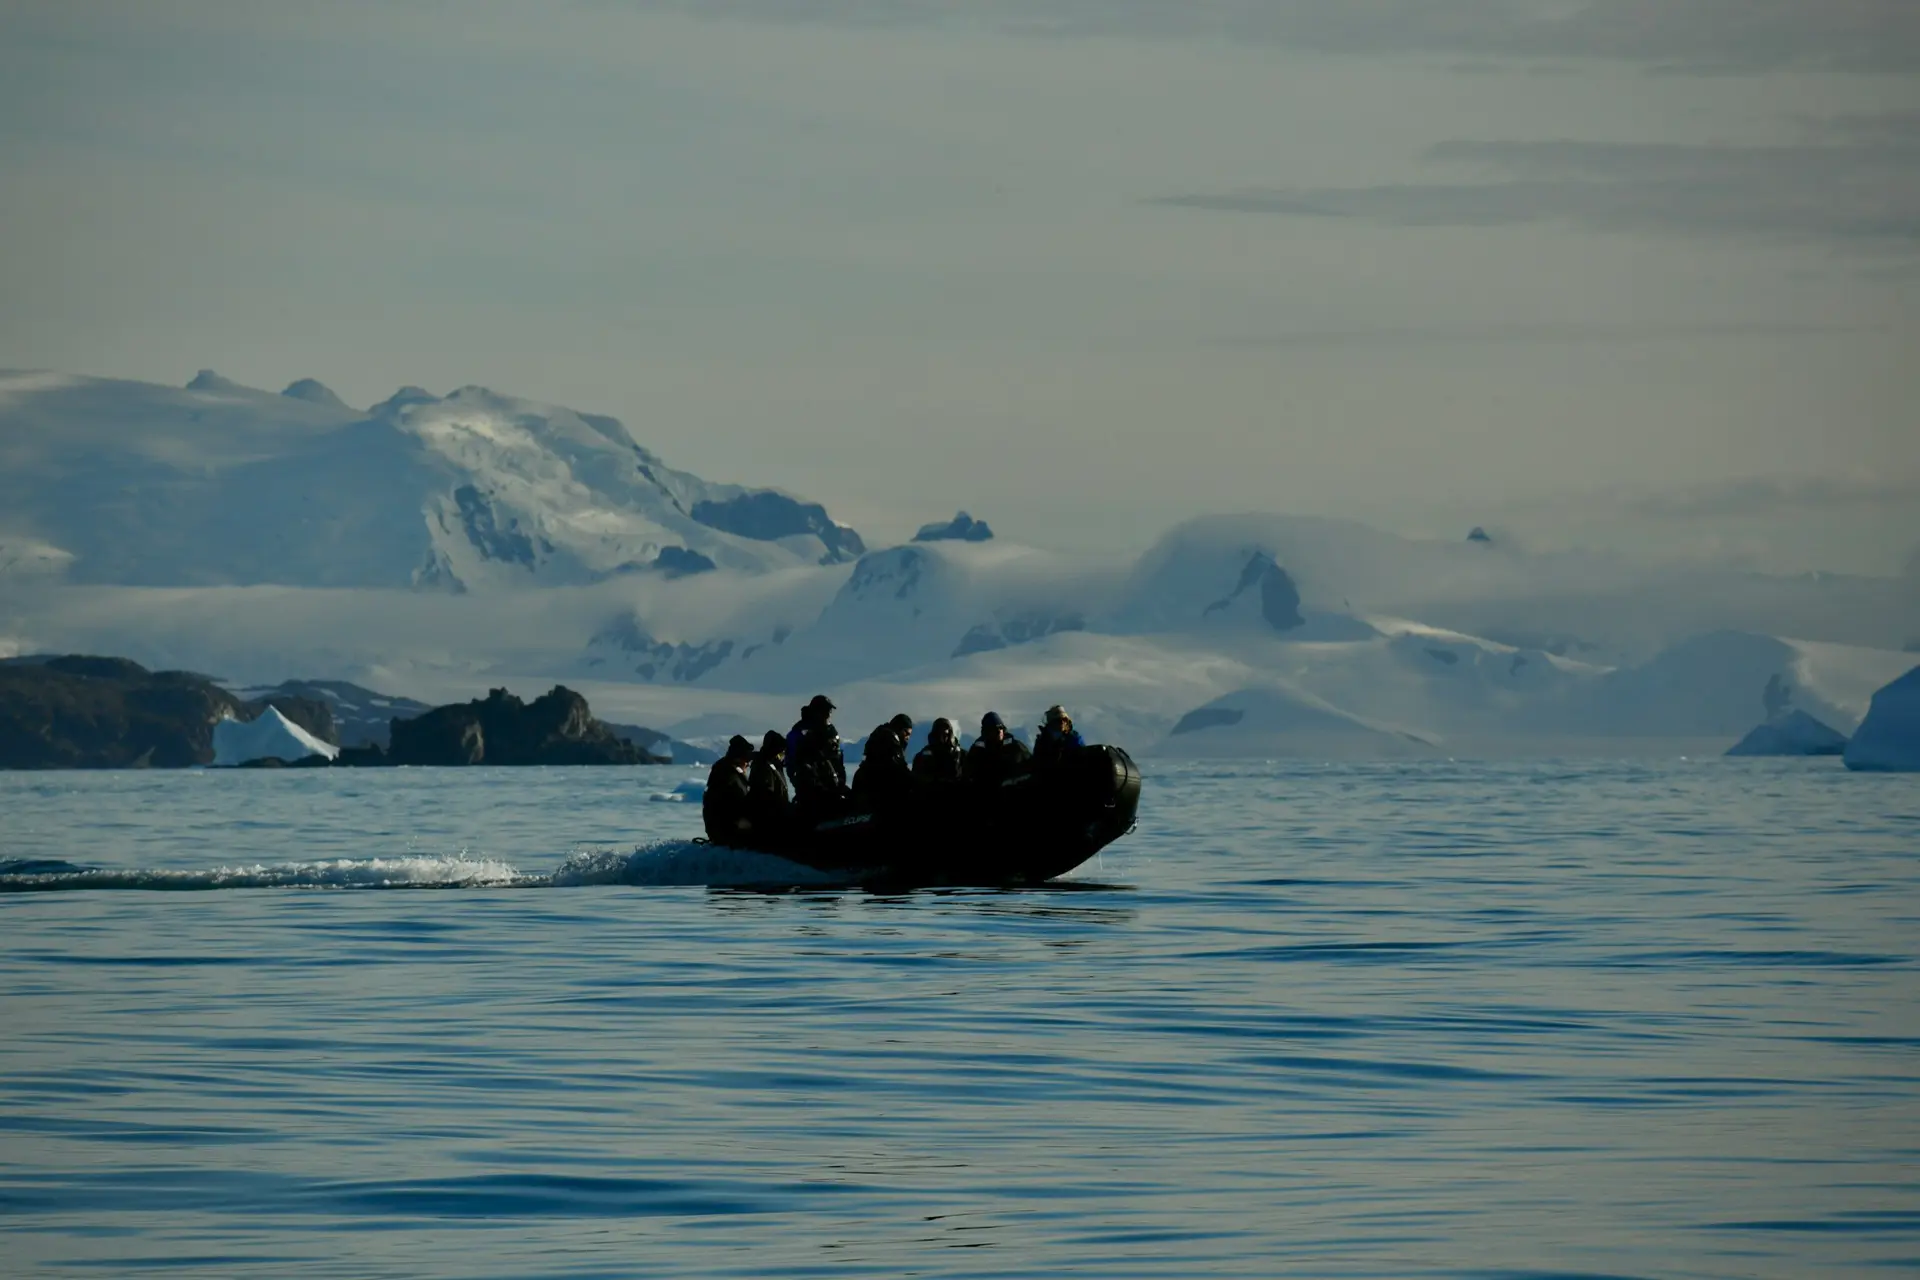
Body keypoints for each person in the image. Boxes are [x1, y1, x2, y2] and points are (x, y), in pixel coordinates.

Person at [786, 694, 849, 814]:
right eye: (826, 710)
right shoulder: (800, 732)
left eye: (829, 711)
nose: (829, 714)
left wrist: (840, 782)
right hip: (812, 793)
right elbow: (794, 764)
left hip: (834, 786)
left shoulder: (830, 731)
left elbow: (837, 757)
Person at [852, 713, 914, 810]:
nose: (907, 738)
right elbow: (900, 771)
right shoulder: (891, 742)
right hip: (880, 798)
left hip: (864, 790)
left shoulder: (877, 738)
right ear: (900, 729)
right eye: (907, 734)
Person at [702, 734, 756, 844]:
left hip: (722, 827)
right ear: (739, 758)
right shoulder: (729, 775)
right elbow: (733, 804)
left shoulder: (725, 769)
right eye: (746, 760)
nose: (748, 765)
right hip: (727, 830)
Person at [747, 729, 792, 839]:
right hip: (769, 822)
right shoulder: (763, 767)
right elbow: (766, 796)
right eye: (782, 752)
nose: (783, 755)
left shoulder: (772, 766)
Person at [965, 710, 1030, 785]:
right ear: (986, 731)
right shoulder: (977, 751)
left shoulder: (1016, 748)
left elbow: (1030, 770)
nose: (999, 731)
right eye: (994, 728)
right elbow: (968, 774)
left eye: (1000, 727)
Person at [913, 717, 964, 782]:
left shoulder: (959, 754)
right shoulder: (924, 755)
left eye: (945, 735)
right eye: (939, 734)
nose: (942, 738)